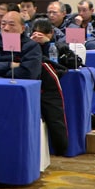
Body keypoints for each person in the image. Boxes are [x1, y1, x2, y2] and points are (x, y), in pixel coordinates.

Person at [28, 18, 70, 154]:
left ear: (50, 33)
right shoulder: (26, 45)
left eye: (41, 34)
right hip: (32, 84)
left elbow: (69, 62)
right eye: (35, 33)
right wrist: (31, 44)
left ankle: (60, 147)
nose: (37, 37)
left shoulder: (59, 45)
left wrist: (47, 43)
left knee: (55, 117)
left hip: (49, 86)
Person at [0, 11, 43, 78]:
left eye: (11, 25)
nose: (6, 28)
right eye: (3, 24)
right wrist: (9, 65)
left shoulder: (31, 46)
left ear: (22, 29)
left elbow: (29, 73)